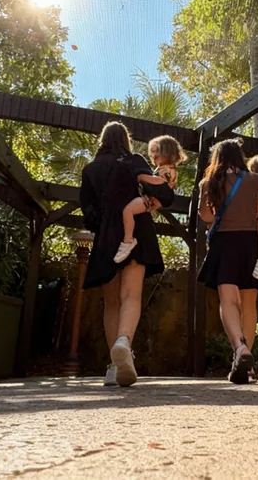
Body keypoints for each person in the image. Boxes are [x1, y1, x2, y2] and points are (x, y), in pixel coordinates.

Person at [79, 122, 165, 387]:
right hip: (137, 231)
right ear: (126, 140)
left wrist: (104, 225)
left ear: (102, 141)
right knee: (131, 295)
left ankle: (113, 366)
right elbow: (156, 191)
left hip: (106, 235)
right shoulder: (134, 160)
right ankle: (123, 342)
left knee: (112, 302)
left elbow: (88, 211)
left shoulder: (91, 169)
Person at [196, 139, 258, 384]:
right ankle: (247, 367)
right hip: (251, 244)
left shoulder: (209, 183)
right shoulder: (255, 180)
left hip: (224, 244)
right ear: (240, 157)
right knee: (249, 304)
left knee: (228, 300)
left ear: (217, 158)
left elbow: (205, 215)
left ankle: (239, 349)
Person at [115, 135, 186, 263]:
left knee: (128, 211)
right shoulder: (165, 168)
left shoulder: (167, 170)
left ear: (167, 152)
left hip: (152, 198)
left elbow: (161, 182)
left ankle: (128, 240)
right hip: (152, 199)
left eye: (156, 151)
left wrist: (142, 177)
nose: (153, 155)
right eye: (152, 151)